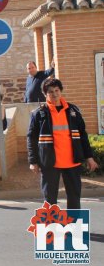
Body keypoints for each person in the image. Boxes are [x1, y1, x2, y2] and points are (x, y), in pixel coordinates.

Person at [27, 78, 99, 209]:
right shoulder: (39, 114)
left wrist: (90, 158)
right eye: (50, 92)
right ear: (45, 94)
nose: (54, 94)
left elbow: (83, 136)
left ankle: (73, 226)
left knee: (74, 196)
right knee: (50, 198)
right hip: (49, 163)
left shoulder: (73, 111)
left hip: (72, 161)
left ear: (61, 91)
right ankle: (51, 227)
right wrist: (33, 161)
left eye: (57, 90)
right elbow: (31, 138)